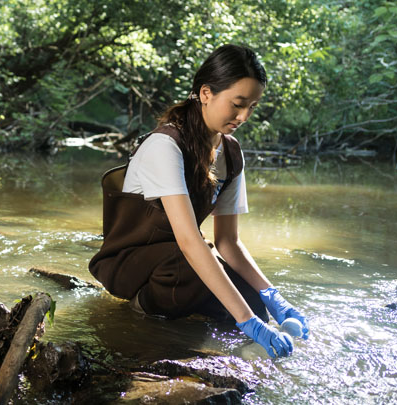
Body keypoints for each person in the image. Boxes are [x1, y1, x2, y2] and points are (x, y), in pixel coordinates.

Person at [89, 44, 309, 358]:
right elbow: (191, 241)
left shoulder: (231, 154)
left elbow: (228, 242)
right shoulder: (165, 145)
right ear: (206, 93)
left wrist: (273, 298)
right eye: (237, 103)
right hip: (129, 263)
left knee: (254, 302)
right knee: (199, 273)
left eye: (252, 107)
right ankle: (142, 308)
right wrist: (246, 322)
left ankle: (214, 327)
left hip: (177, 259)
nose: (244, 116)